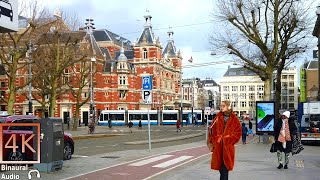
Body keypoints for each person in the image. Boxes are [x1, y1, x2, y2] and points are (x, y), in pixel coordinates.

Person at [207, 100, 241, 180]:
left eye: (223, 106)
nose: (221, 107)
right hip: (218, 148)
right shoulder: (217, 118)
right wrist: (214, 141)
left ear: (229, 107)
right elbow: (211, 131)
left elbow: (238, 134)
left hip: (228, 148)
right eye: (221, 106)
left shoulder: (234, 119)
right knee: (221, 169)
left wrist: (228, 139)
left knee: (225, 168)